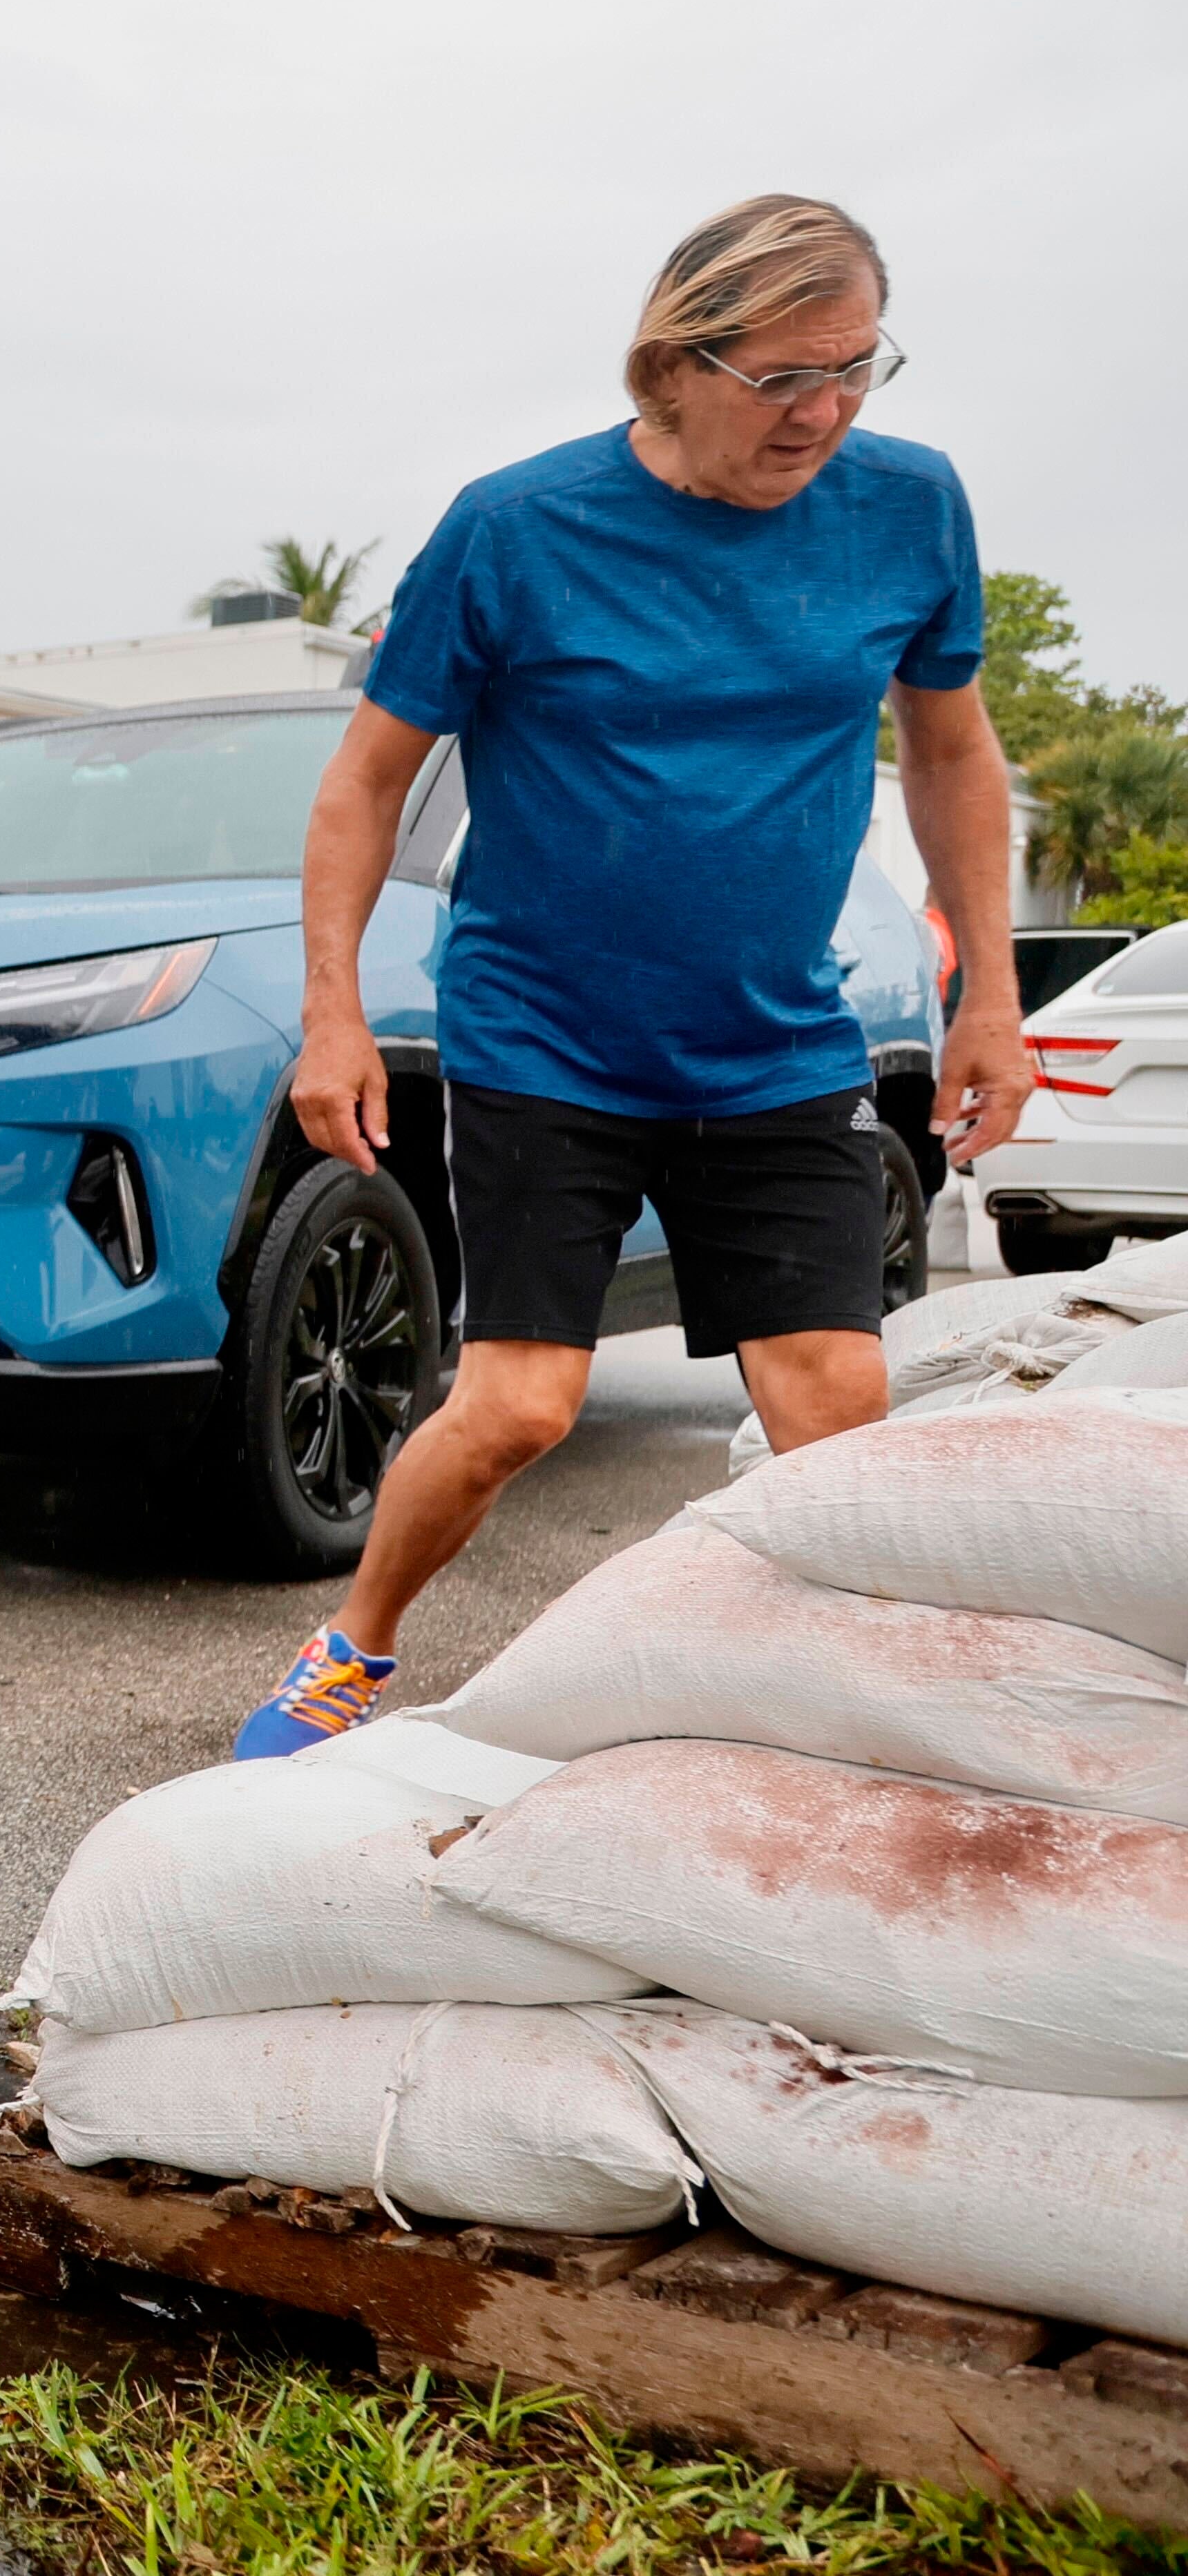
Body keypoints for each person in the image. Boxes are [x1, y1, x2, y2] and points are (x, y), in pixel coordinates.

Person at [243, 193, 1031, 1759]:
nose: (825, 411)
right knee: (518, 1408)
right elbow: (365, 782)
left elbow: (951, 752)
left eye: (857, 368)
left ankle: (828, 1716)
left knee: (831, 1397)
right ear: (673, 362)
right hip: (546, 1036)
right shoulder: (519, 527)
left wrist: (988, 992)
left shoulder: (910, 508)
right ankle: (356, 1645)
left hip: (773, 1040)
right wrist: (333, 1009)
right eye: (784, 378)